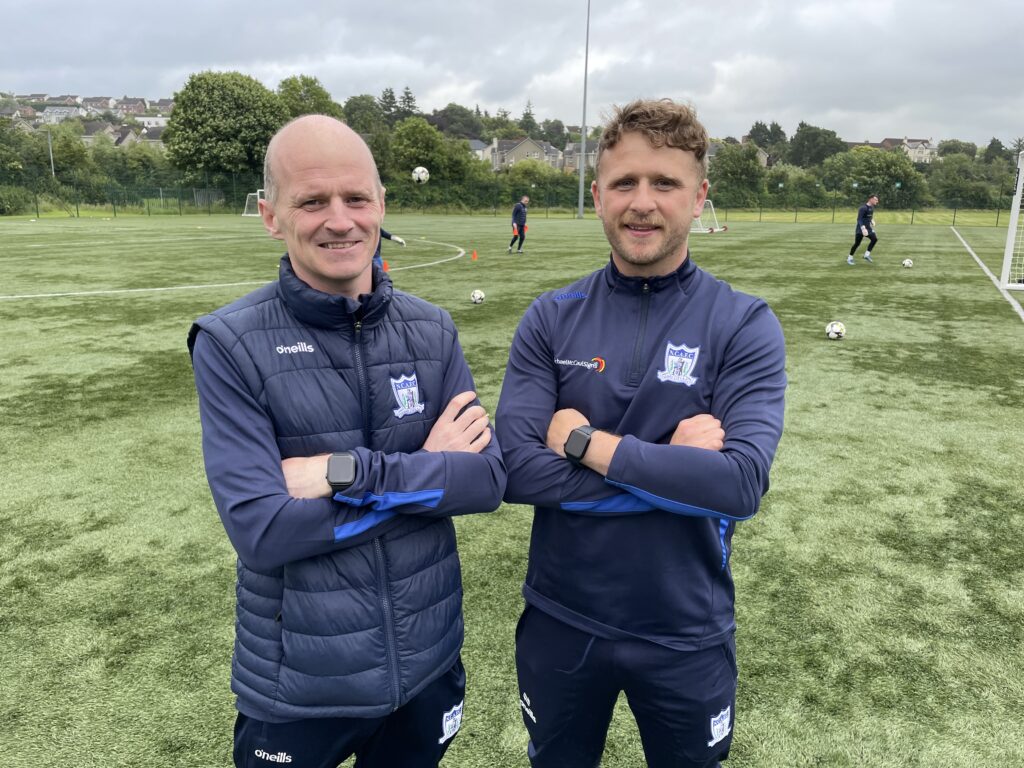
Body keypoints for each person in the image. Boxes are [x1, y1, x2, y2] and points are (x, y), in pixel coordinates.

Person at [187, 115, 506, 768]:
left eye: (356, 198)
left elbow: (487, 482)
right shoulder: (229, 344)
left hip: (427, 666)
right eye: (312, 201)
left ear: (381, 205)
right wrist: (427, 473)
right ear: (270, 215)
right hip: (300, 691)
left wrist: (347, 473)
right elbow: (265, 531)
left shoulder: (434, 330)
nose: (340, 220)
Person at [495, 98, 787, 768]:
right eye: (624, 182)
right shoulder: (550, 318)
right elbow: (513, 469)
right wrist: (671, 468)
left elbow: (739, 484)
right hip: (562, 622)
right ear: (597, 193)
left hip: (686, 631)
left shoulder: (743, 323)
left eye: (665, 183)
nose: (642, 202)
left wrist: (582, 443)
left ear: (699, 196)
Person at [847, 194, 879, 265]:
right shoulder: (863, 208)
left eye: (877, 200)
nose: (877, 201)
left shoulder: (872, 208)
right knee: (857, 244)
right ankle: (850, 258)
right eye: (875, 199)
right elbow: (859, 219)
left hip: (868, 228)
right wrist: (863, 228)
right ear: (870, 199)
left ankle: (866, 255)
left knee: (874, 239)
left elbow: (869, 217)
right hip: (860, 229)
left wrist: (872, 220)